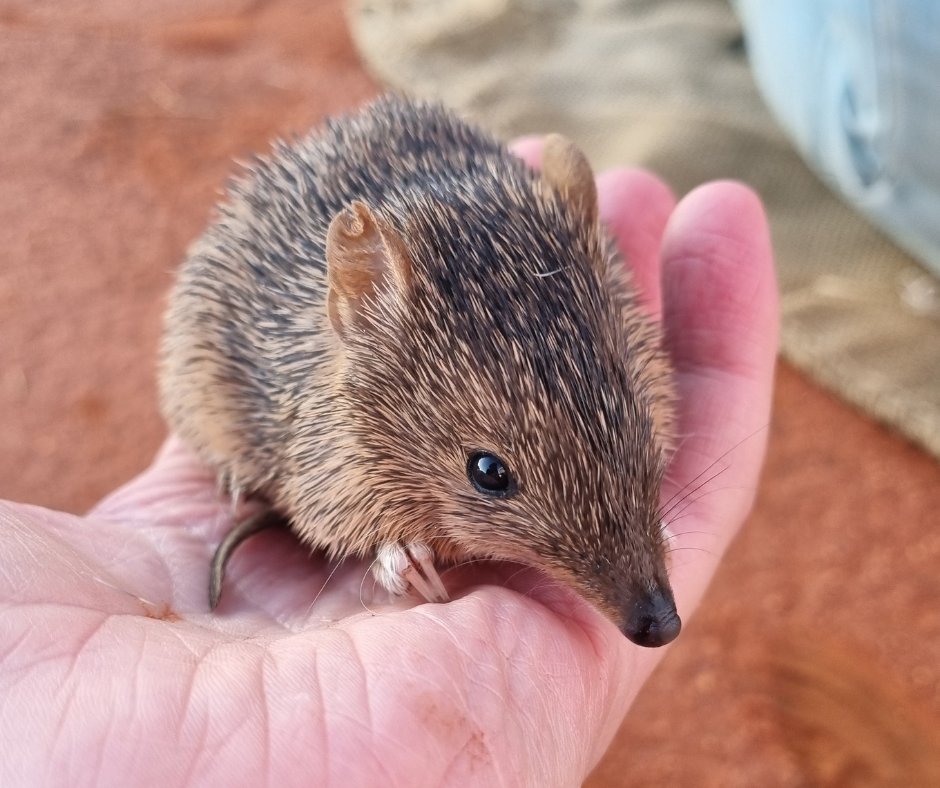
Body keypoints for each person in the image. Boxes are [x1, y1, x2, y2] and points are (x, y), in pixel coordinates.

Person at [0, 137, 778, 786]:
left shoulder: (592, 301)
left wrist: (627, 516)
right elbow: (325, 499)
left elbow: (635, 401)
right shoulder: (363, 389)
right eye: (491, 475)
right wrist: (386, 542)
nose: (651, 613)